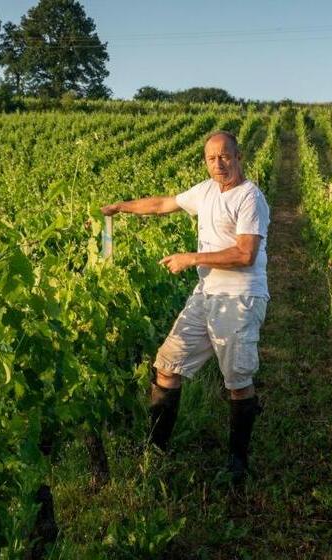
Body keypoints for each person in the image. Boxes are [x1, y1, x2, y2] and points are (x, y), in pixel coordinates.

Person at [101, 130, 269, 484]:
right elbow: (163, 204)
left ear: (239, 157)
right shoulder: (205, 191)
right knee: (167, 364)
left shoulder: (250, 198)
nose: (218, 164)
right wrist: (121, 207)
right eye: (211, 158)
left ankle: (238, 464)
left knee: (237, 382)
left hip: (239, 297)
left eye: (225, 156)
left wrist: (191, 258)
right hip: (205, 294)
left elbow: (245, 253)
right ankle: (156, 450)